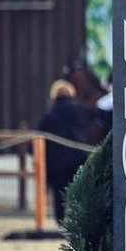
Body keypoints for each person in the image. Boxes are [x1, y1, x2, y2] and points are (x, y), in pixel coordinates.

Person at [38, 80, 97, 223]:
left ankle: (61, 223)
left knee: (60, 194)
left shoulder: (50, 114)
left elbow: (40, 137)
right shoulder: (82, 109)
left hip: (58, 162)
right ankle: (82, 221)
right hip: (81, 157)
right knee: (82, 191)